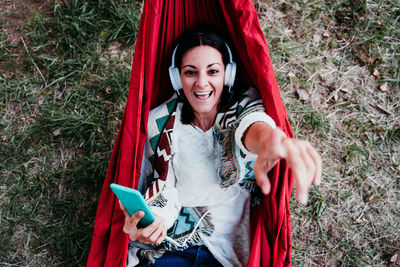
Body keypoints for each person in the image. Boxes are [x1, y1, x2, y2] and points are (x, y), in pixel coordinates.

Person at [120, 27, 322, 267]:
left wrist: (272, 141)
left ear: (228, 74)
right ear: (177, 78)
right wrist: (149, 224)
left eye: (213, 71)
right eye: (190, 72)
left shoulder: (242, 106)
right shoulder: (162, 121)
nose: (201, 83)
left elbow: (252, 126)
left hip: (227, 256)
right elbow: (164, 188)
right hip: (172, 249)